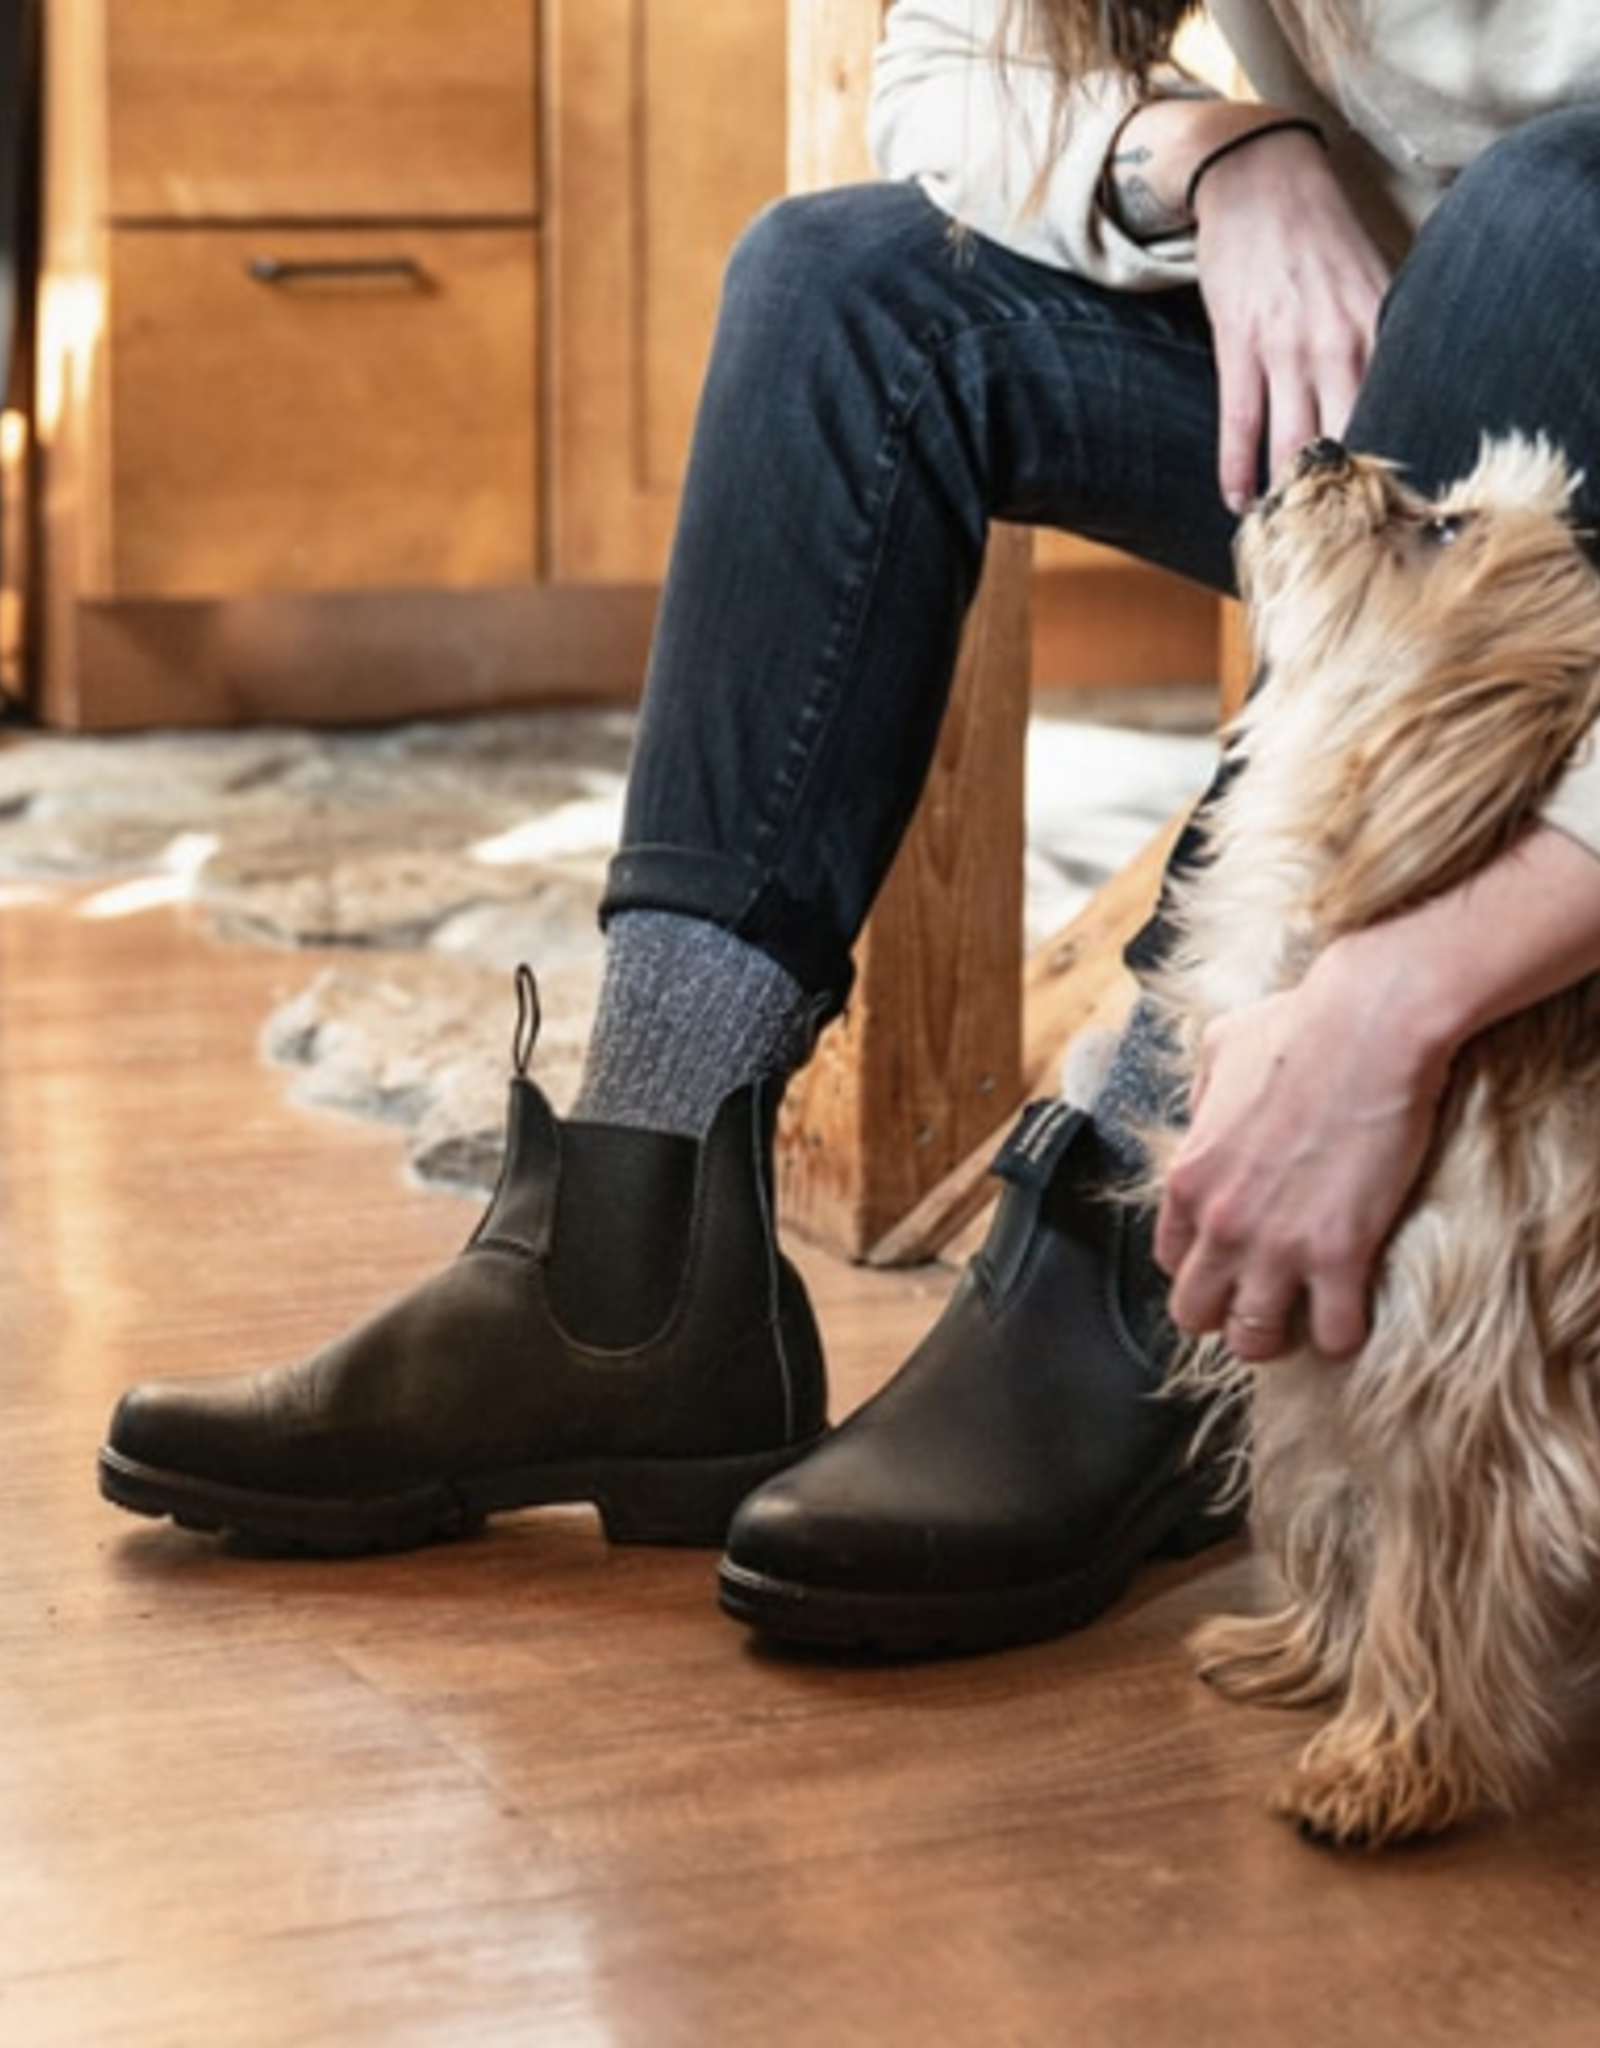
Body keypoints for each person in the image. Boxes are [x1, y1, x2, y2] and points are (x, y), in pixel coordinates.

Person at [99, 1, 1600, 1654]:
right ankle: (631, 1267)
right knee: (845, 288)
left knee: (1542, 217)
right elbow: (950, 61)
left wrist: (1402, 992)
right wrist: (1230, 159)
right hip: (1376, 431)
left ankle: (1155, 1257)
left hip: (1544, 445)